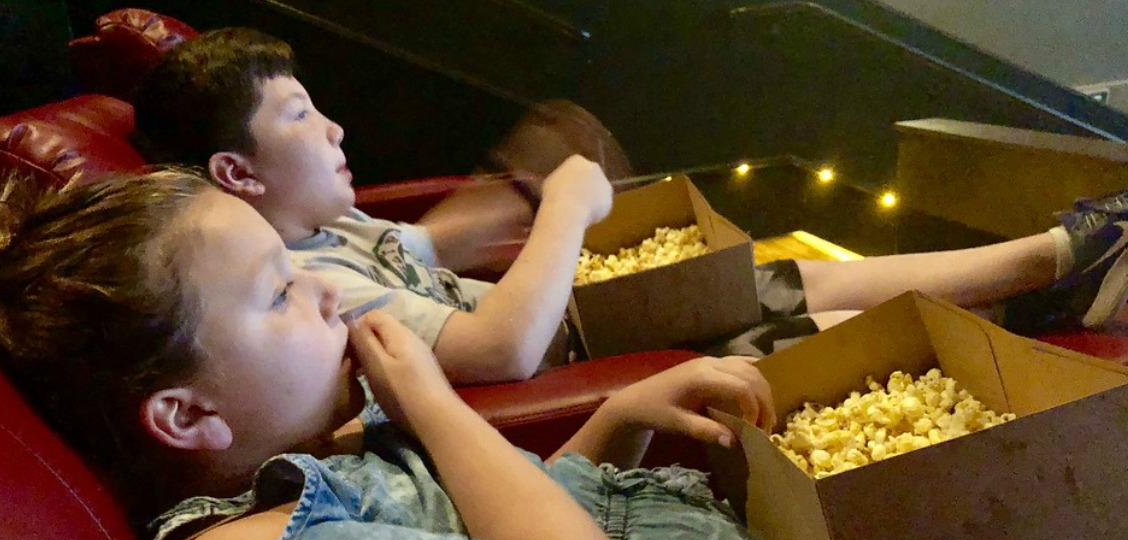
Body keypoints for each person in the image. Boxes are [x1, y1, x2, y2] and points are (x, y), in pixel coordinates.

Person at [0, 166, 828, 540]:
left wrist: (616, 419)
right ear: (188, 415)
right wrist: (432, 404)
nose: (327, 295)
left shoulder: (320, 460)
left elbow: (512, 536)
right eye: (280, 292)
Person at [132, 28, 1128, 385]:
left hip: (574, 326)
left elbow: (425, 250)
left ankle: (1040, 267)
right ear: (236, 175)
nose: (337, 130)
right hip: (558, 362)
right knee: (799, 311)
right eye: (302, 117)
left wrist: (517, 180)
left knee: (781, 279)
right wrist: (563, 206)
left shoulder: (323, 232)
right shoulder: (301, 281)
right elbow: (496, 356)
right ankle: (1043, 278)